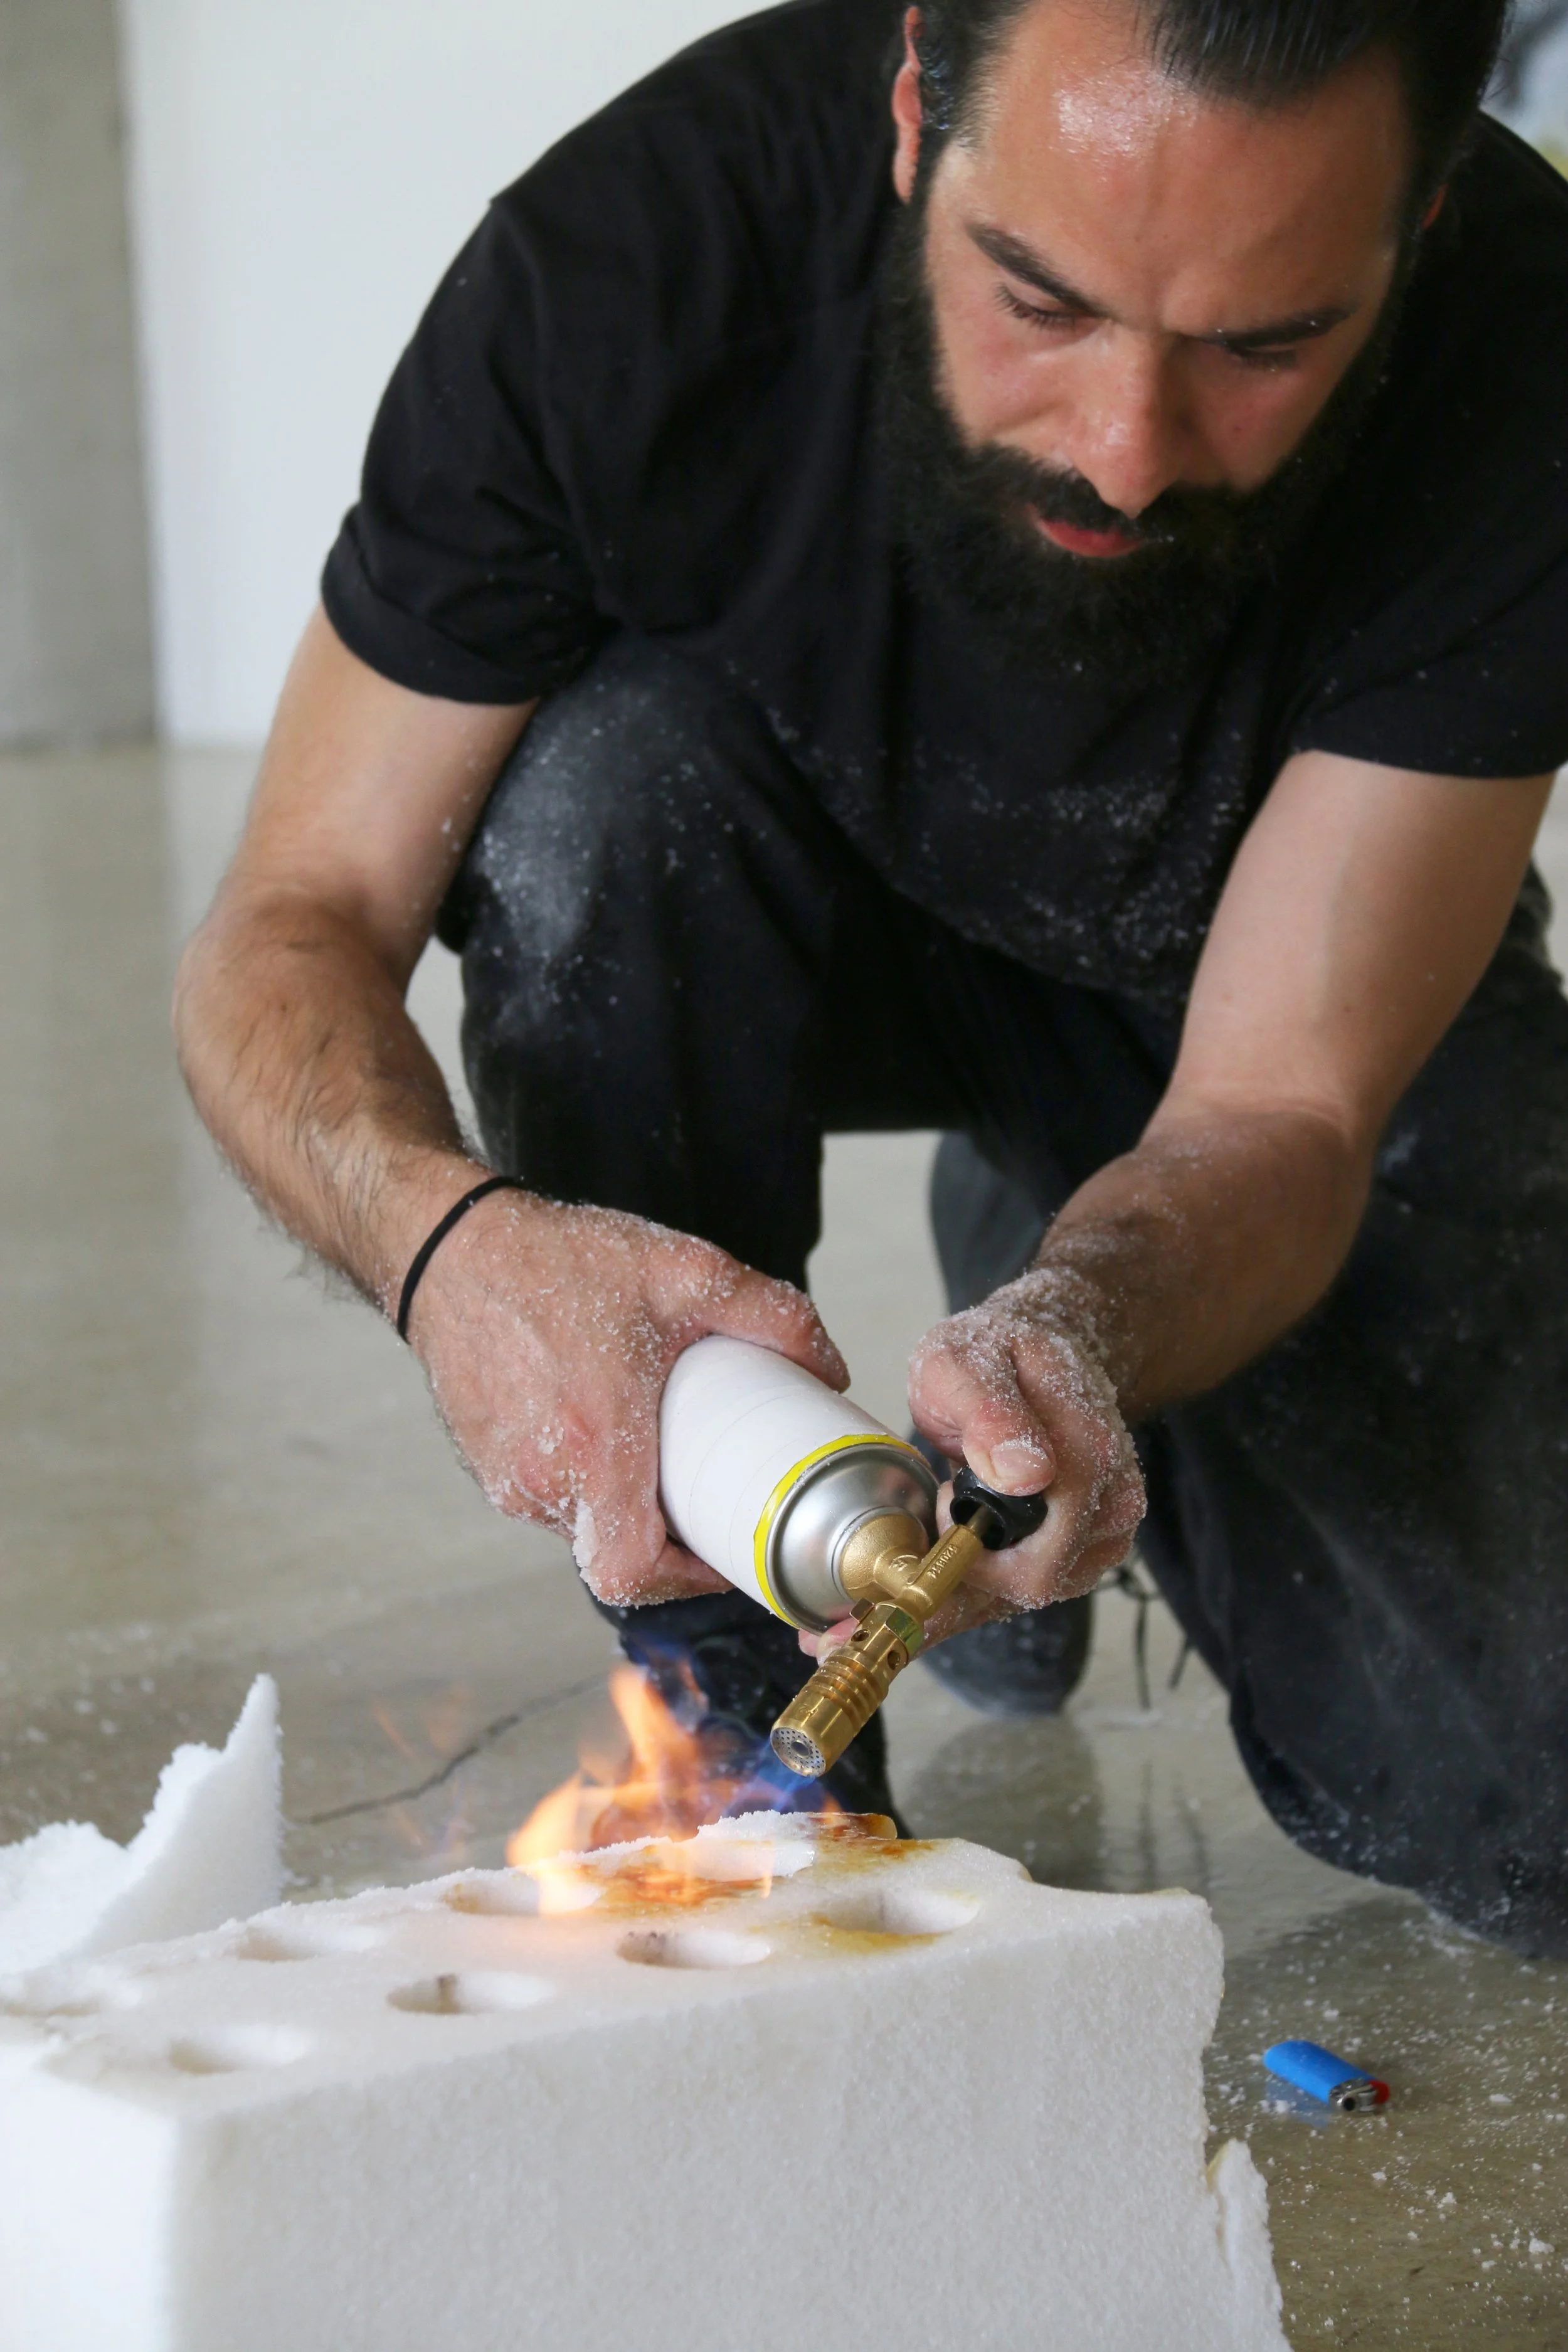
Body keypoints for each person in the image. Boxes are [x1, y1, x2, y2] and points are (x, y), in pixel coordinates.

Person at [175, 0, 1568, 1950]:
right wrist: (450, 1252)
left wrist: (1087, 1313)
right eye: (1039, 298)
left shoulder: (1524, 349)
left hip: (1243, 992)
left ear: (1415, 230)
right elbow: (290, 917)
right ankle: (754, 1753)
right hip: (784, 921)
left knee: (1529, 1801)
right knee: (598, 799)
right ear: (917, 106)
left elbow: (1286, 1101)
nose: (1125, 450)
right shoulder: (626, 266)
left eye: (1263, 343)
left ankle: (1046, 1228)